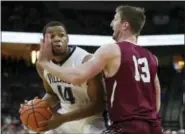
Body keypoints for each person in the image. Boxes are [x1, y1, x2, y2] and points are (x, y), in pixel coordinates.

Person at [38, 5, 163, 134]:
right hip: (153, 127)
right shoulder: (151, 57)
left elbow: (77, 77)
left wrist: (45, 63)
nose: (111, 24)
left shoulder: (111, 50)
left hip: (126, 127)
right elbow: (156, 104)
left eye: (115, 20)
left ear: (124, 25)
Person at [20, 21, 106, 134]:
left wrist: (62, 119)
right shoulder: (41, 65)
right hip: (64, 120)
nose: (57, 39)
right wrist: (33, 107)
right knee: (35, 131)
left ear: (67, 39)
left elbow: (98, 105)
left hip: (91, 121)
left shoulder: (86, 61)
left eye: (61, 35)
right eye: (51, 36)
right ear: (44, 41)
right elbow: (53, 94)